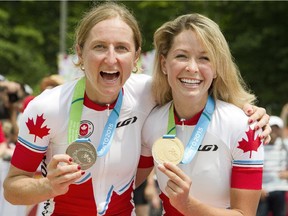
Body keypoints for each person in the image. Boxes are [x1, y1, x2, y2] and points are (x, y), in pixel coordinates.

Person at [3, 2, 270, 216]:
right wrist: (47, 185)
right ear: (80, 53)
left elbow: (194, 86)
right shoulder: (45, 108)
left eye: (121, 48)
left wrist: (249, 111)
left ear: (136, 57)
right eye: (99, 47)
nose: (111, 58)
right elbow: (12, 188)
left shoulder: (146, 93)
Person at [138, 13, 266, 216]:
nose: (192, 67)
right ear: (164, 64)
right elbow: (122, 181)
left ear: (216, 68)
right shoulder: (151, 122)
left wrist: (187, 205)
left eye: (204, 58)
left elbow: (245, 213)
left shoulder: (243, 125)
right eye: (181, 56)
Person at [257, 116, 288, 216]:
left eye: (276, 128)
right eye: (272, 128)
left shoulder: (285, 145)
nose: (274, 131)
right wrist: (258, 188)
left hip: (280, 188)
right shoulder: (259, 145)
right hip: (263, 190)